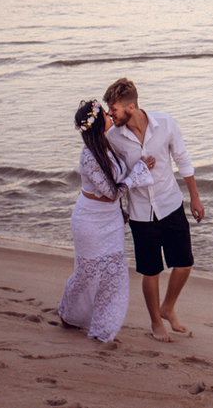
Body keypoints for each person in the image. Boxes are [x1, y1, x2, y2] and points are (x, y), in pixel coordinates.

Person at [103, 77, 204, 343]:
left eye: (113, 109)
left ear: (131, 108)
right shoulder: (113, 137)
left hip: (170, 202)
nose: (110, 114)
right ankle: (156, 323)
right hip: (140, 212)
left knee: (184, 263)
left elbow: (183, 160)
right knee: (150, 271)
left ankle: (167, 307)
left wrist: (194, 197)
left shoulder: (165, 123)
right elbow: (115, 175)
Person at [57, 99, 156, 343]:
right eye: (105, 113)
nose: (110, 114)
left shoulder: (108, 145)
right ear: (99, 122)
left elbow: (115, 191)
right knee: (86, 275)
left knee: (115, 275)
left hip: (110, 220)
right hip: (89, 222)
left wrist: (122, 211)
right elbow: (112, 191)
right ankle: (70, 315)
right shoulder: (89, 157)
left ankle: (104, 330)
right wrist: (139, 172)